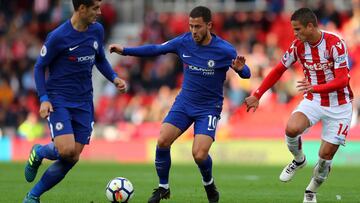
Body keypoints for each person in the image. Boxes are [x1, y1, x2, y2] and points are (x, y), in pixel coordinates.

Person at [110, 6, 251, 203]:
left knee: (199, 155)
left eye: (198, 27)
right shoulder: (183, 42)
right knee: (162, 141)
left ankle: (209, 183)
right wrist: (125, 51)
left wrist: (241, 70)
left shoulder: (224, 50)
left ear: (209, 25)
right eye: (191, 26)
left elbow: (246, 73)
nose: (194, 31)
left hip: (209, 108)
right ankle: (163, 188)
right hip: (184, 103)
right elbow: (156, 49)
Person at [245, 8, 353, 203]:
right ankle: (299, 160)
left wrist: (316, 87)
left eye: (298, 29)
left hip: (340, 105)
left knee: (324, 157)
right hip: (315, 100)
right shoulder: (298, 46)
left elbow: (342, 81)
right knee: (291, 128)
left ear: (310, 26)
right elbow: (278, 70)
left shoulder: (335, 44)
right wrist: (257, 94)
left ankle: (311, 191)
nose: (295, 34)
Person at [23, 0, 126, 202]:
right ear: (81, 9)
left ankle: (33, 195)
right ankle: (39, 151)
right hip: (59, 99)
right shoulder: (58, 37)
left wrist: (114, 77)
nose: (100, 12)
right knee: (66, 150)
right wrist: (44, 99)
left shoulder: (97, 30)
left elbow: (100, 59)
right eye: (95, 8)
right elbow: (38, 67)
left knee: (73, 157)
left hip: (84, 101)